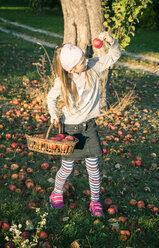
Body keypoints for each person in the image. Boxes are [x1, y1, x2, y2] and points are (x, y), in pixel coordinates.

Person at [47, 31, 121, 217]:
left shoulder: (92, 67)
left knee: (93, 167)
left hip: (89, 127)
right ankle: (56, 193)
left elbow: (114, 55)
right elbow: (51, 97)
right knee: (67, 167)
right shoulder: (63, 80)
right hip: (70, 129)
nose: (86, 61)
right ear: (71, 69)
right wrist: (54, 114)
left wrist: (110, 41)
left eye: (84, 56)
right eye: (81, 61)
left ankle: (95, 201)